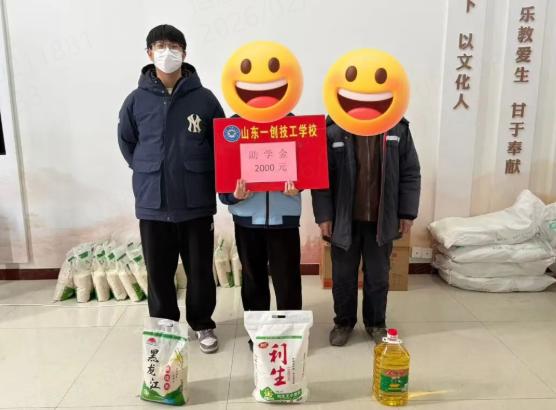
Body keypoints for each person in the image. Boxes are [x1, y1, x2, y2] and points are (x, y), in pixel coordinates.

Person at [118, 24, 225, 353]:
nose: (167, 52)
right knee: (159, 271)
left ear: (184, 52)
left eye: (174, 46)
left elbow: (221, 145)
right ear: (149, 53)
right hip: (153, 203)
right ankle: (165, 326)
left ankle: (202, 323)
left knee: (200, 270)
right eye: (160, 46)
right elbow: (127, 143)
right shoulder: (136, 101)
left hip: (196, 202)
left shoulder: (204, 99)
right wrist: (150, 168)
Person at [312, 117, 421, 346]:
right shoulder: (333, 131)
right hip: (344, 221)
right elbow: (321, 177)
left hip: (381, 221)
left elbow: (410, 172)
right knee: (343, 276)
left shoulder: (397, 128)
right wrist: (324, 216)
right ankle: (343, 323)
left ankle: (376, 323)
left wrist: (407, 212)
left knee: (378, 276)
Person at [220, 179, 303, 349]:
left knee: (287, 279)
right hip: (246, 216)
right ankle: (258, 331)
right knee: (252, 277)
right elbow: (225, 172)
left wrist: (300, 185)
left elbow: (308, 168)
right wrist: (232, 196)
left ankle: (289, 332)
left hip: (284, 215)